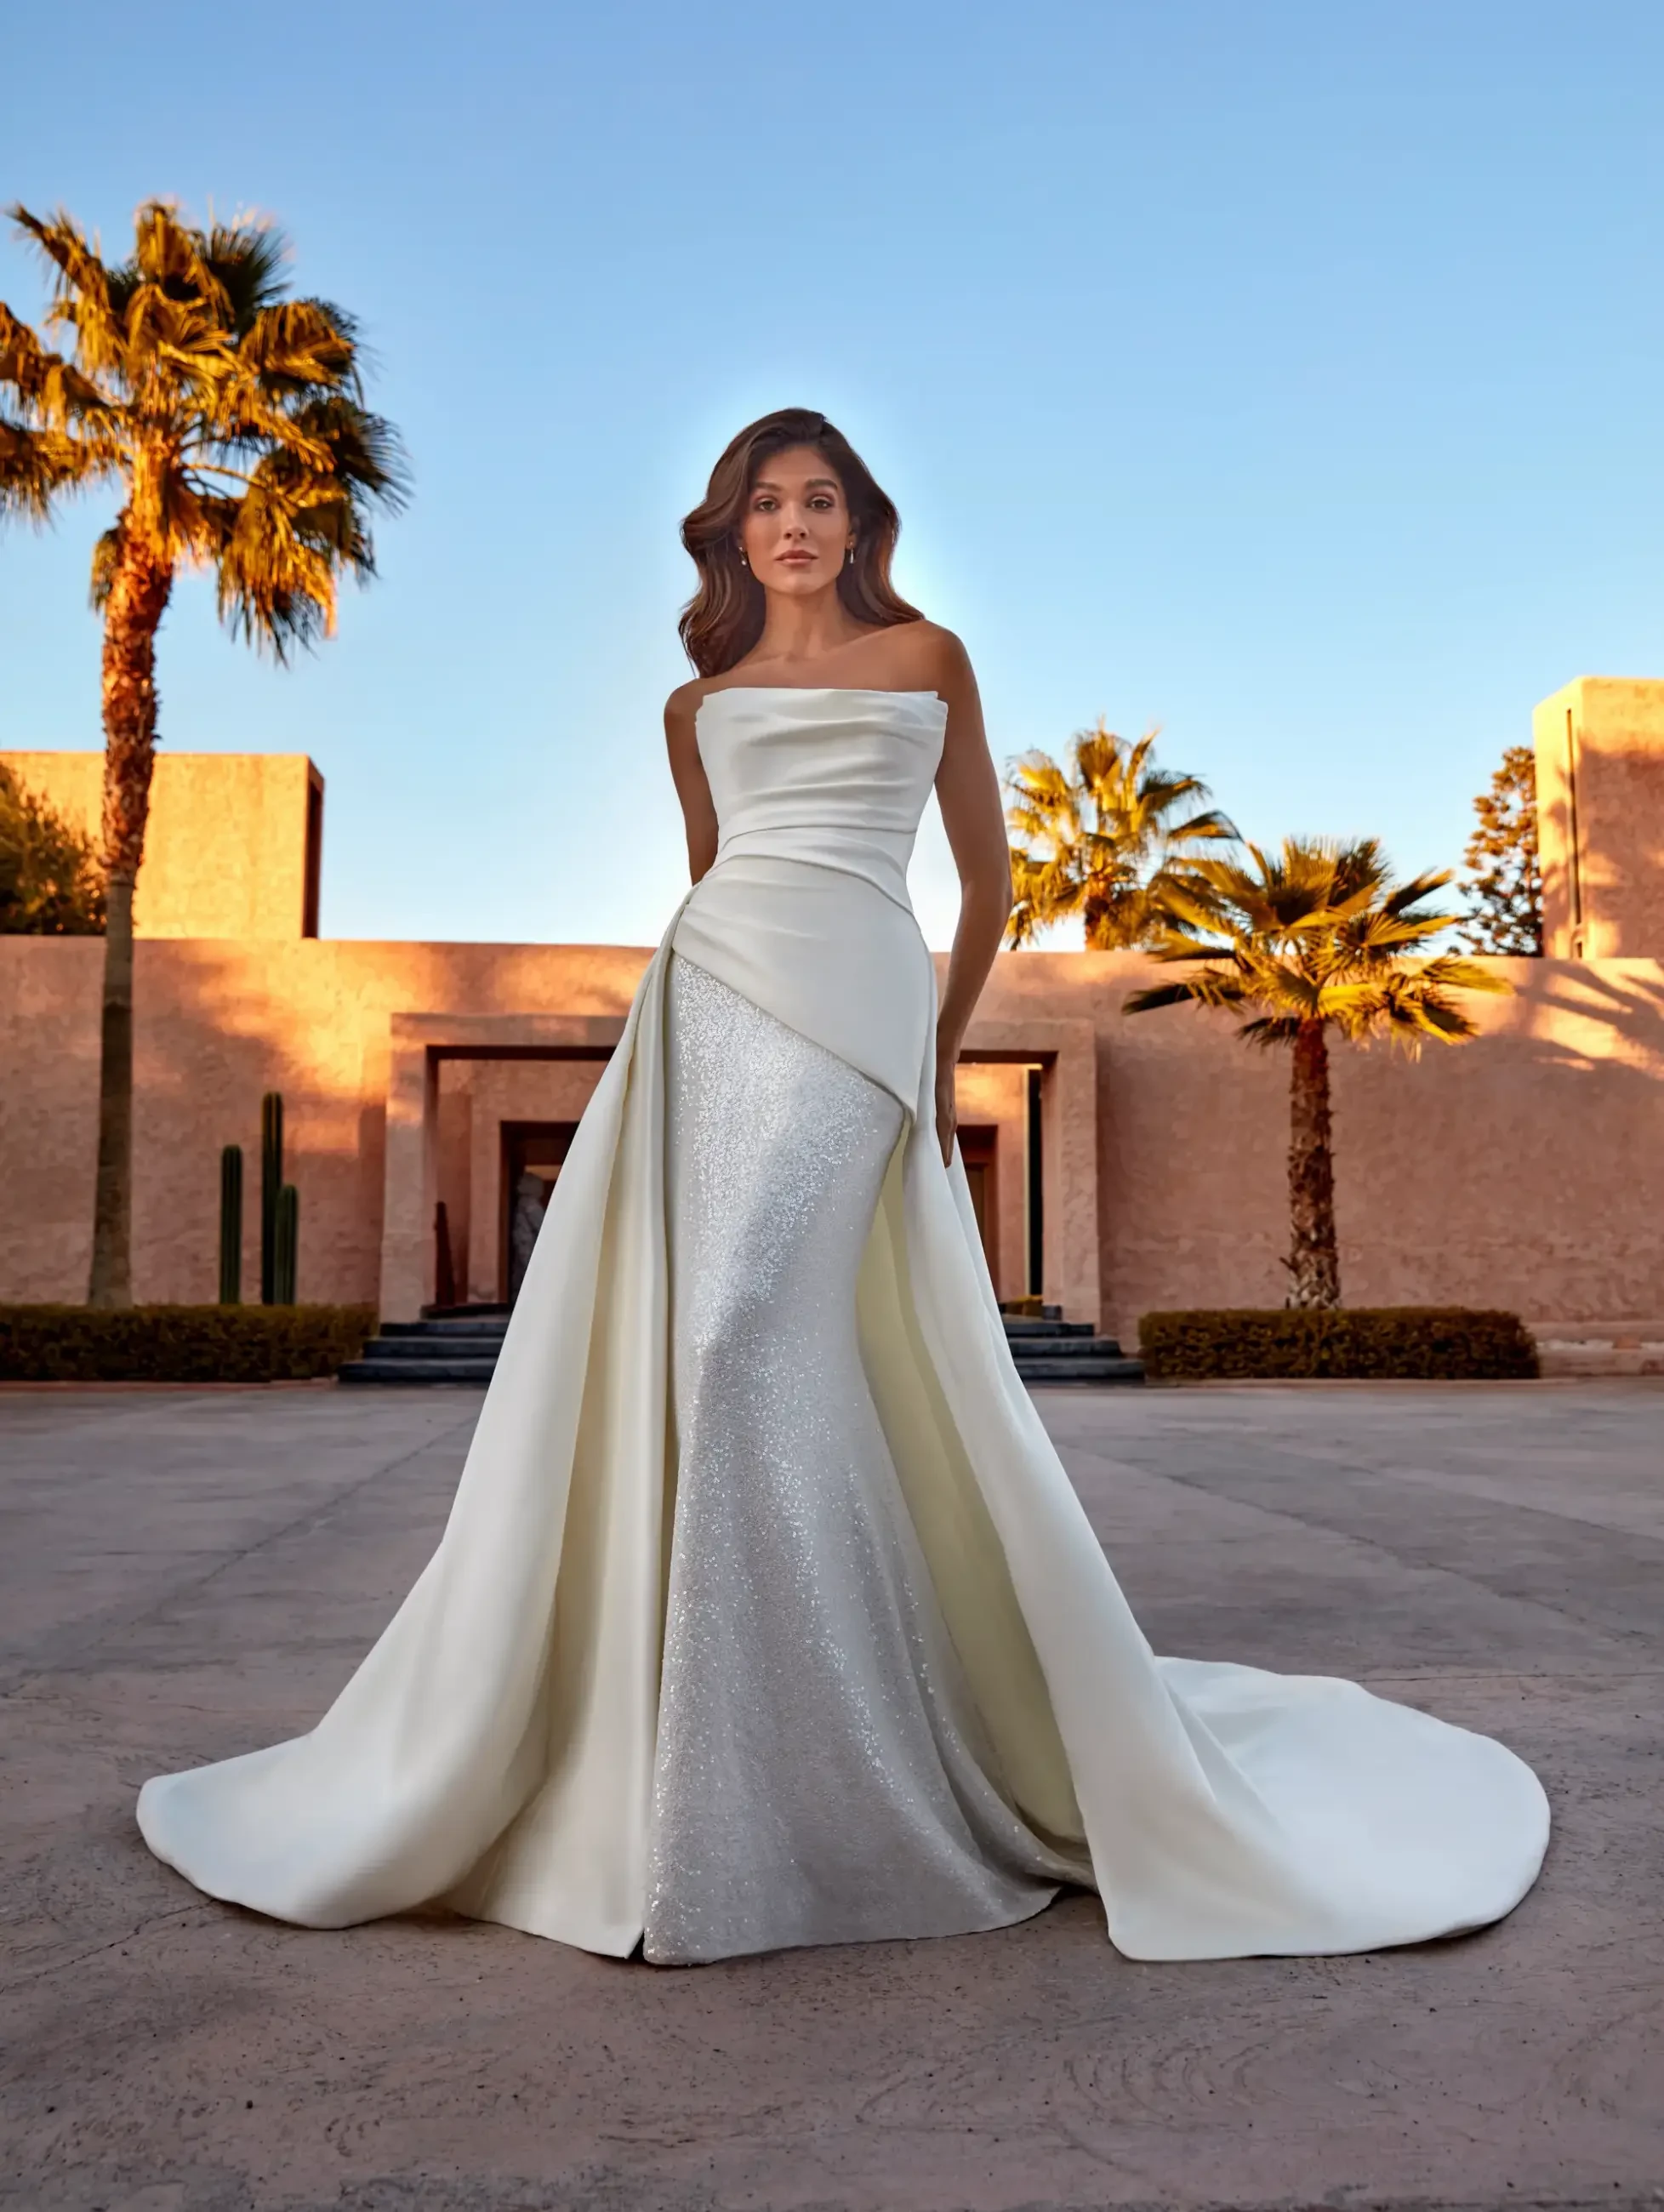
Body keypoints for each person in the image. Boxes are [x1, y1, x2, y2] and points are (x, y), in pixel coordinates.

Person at [138, 408, 1549, 1966]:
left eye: (819, 500)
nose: (793, 524)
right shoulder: (696, 706)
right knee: (713, 1358)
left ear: (860, 523)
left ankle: (831, 1761)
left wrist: (933, 1057)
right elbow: (708, 879)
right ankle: (718, 1767)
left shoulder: (928, 657)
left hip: (865, 1009)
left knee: (746, 1337)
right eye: (765, 502)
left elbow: (991, 880)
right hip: (711, 1005)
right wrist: (684, 1022)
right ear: (731, 533)